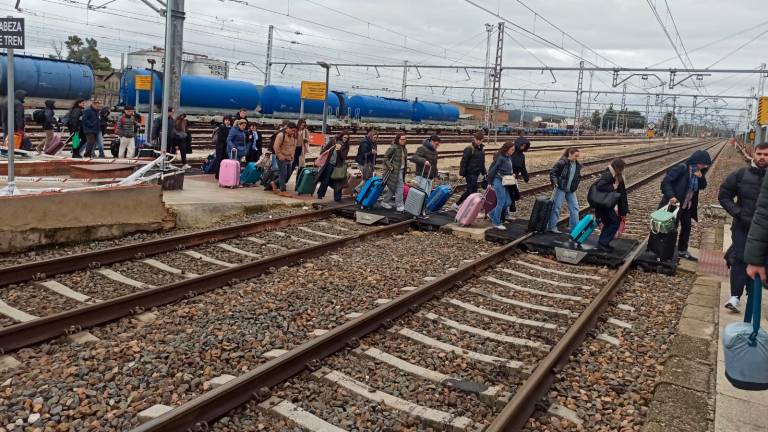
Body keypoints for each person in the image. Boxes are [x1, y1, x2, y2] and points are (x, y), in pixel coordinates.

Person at [719, 143, 768, 312]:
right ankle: (735, 297)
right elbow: (724, 196)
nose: (762, 157)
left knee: (760, 261)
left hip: (764, 230)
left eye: (766, 155)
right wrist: (739, 214)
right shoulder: (740, 175)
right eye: (759, 153)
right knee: (740, 258)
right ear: (753, 154)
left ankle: (753, 296)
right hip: (742, 226)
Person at [659, 149, 712, 261]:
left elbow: (703, 186)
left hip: (687, 205)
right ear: (696, 161)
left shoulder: (698, 172)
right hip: (675, 204)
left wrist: (700, 176)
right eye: (702, 164)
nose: (703, 166)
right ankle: (663, 251)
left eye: (705, 165)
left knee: (687, 227)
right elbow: (665, 182)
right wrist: (671, 196)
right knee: (671, 228)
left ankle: (682, 250)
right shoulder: (681, 169)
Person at [592, 158, 629, 251]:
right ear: (619, 167)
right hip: (604, 205)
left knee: (611, 223)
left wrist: (623, 211)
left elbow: (622, 195)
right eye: (622, 167)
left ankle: (604, 243)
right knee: (614, 223)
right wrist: (612, 187)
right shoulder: (609, 175)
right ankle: (602, 243)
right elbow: (600, 186)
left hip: (606, 204)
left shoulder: (615, 175)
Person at [548, 147, 582, 233]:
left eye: (578, 156)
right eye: (576, 156)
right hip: (561, 188)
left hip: (571, 190)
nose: (577, 158)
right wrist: (555, 182)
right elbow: (553, 172)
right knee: (556, 207)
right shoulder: (562, 162)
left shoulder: (578, 165)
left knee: (575, 208)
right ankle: (552, 227)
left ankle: (575, 230)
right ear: (570, 154)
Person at [452, 132, 486, 210]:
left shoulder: (482, 150)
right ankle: (471, 207)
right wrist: (462, 173)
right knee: (473, 191)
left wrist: (484, 173)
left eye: (480, 140)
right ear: (474, 139)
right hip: (469, 173)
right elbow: (464, 162)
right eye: (477, 140)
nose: (478, 141)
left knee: (469, 191)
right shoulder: (469, 148)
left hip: (476, 173)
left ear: (482, 140)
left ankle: (457, 204)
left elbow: (482, 162)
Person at [486, 142, 516, 230]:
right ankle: (496, 222)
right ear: (507, 149)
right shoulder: (501, 158)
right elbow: (492, 170)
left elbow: (507, 169)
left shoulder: (508, 157)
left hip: (506, 181)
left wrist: (511, 174)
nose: (513, 151)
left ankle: (491, 214)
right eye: (512, 150)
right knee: (501, 201)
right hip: (498, 181)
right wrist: (489, 183)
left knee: (508, 201)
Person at [317, 131, 351, 202]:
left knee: (338, 182)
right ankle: (320, 194)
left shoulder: (346, 146)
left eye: (347, 138)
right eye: (345, 137)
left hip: (338, 166)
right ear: (341, 136)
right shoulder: (334, 141)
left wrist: (339, 150)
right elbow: (325, 149)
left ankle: (337, 198)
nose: (345, 139)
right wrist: (322, 156)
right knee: (325, 180)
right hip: (329, 163)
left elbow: (343, 157)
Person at [381, 133, 408, 212]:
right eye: (402, 139)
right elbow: (385, 157)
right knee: (400, 188)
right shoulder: (393, 148)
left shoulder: (404, 148)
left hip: (401, 170)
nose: (404, 141)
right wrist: (390, 166)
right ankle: (399, 205)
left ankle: (384, 201)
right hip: (394, 171)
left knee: (393, 188)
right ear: (398, 140)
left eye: (405, 139)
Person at [274, 121, 298, 194]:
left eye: (294, 131)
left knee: (288, 175)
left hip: (289, 158)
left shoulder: (293, 136)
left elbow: (293, 147)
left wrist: (292, 156)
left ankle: (274, 183)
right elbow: (276, 146)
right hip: (282, 158)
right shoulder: (281, 135)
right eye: (292, 130)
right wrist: (280, 156)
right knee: (283, 174)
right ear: (287, 128)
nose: (293, 132)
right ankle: (283, 190)